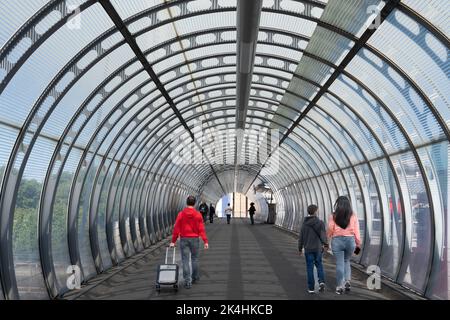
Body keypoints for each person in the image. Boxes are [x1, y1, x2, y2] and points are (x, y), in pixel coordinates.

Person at [170, 196, 209, 289]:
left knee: (185, 260)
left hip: (184, 239)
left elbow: (176, 228)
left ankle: (188, 281)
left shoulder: (181, 214)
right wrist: (205, 241)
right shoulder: (198, 214)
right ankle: (194, 277)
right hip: (195, 239)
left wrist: (173, 241)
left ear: (186, 203)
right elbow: (201, 229)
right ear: (195, 203)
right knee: (194, 259)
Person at [327, 196, 361, 295]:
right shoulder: (353, 216)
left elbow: (330, 229)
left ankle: (339, 286)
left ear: (337, 204)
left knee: (339, 263)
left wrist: (328, 239)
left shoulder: (333, 216)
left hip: (337, 241)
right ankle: (347, 281)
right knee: (347, 261)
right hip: (350, 241)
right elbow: (356, 231)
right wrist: (358, 243)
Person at [298, 204, 327, 294]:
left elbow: (301, 237)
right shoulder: (320, 223)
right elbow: (323, 235)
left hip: (308, 249)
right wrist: (325, 244)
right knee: (319, 265)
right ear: (315, 212)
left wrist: (300, 248)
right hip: (318, 248)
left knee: (310, 268)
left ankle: (311, 288)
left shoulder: (304, 224)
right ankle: (321, 281)